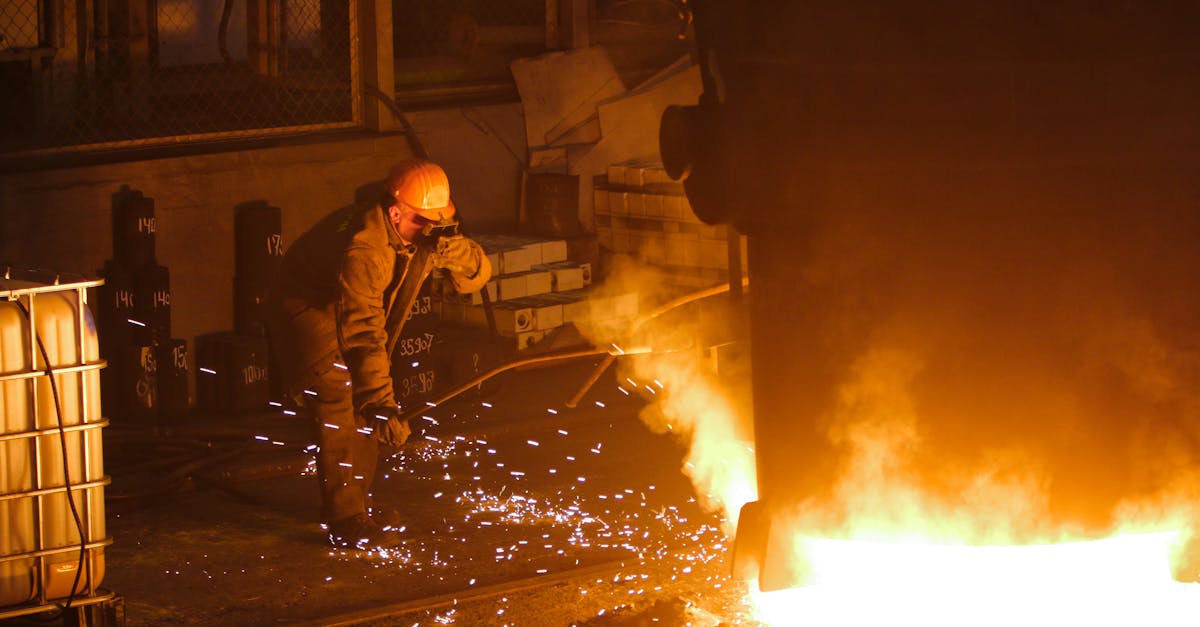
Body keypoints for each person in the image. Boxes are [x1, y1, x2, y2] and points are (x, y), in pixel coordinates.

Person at [266, 159, 491, 548]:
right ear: (395, 211)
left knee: (366, 404)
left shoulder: (413, 229)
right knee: (341, 397)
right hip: (306, 309)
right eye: (424, 221)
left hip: (344, 307)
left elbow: (477, 275)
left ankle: (356, 506)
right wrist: (382, 404)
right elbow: (363, 333)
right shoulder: (365, 249)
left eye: (438, 222)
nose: (431, 230)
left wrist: (463, 256)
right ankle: (346, 519)